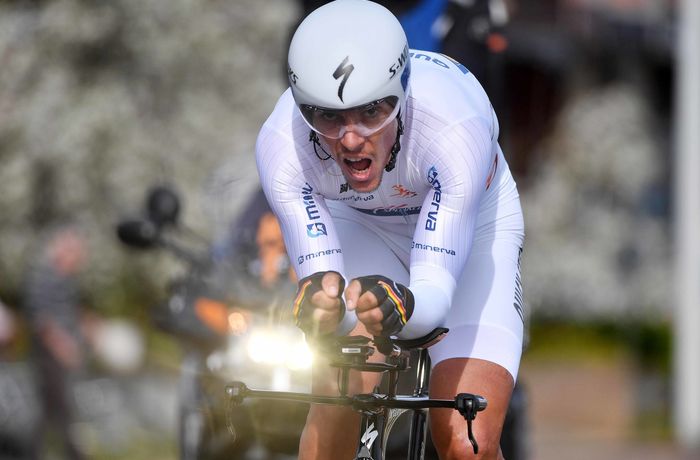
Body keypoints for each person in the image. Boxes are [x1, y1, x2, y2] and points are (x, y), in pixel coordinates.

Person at [255, 1, 525, 458]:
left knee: (466, 442)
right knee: (336, 402)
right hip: (361, 225)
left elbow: (433, 300)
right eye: (328, 117)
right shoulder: (283, 145)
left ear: (401, 92)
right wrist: (324, 315)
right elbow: (326, 293)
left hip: (472, 233)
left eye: (371, 112)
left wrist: (401, 305)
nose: (351, 138)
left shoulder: (455, 127)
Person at [22, 224, 88, 460]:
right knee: (60, 411)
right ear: (63, 250)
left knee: (50, 413)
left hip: (61, 355)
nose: (80, 258)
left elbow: (68, 313)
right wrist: (64, 347)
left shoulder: (66, 279)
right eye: (76, 252)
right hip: (49, 358)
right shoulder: (45, 277)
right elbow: (43, 321)